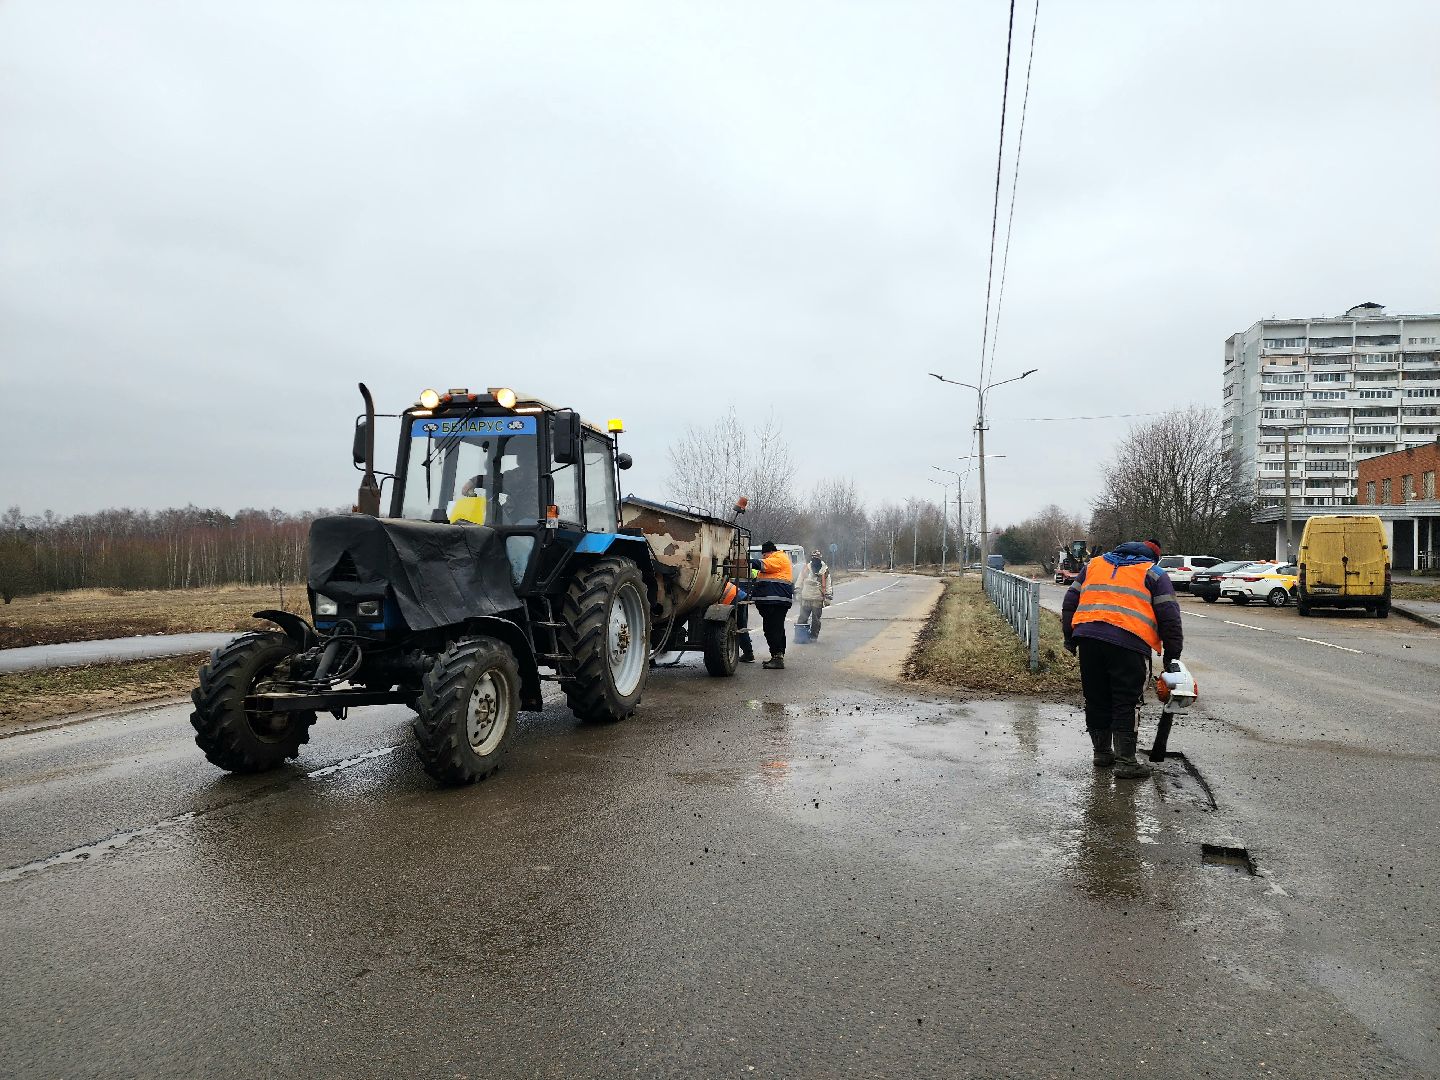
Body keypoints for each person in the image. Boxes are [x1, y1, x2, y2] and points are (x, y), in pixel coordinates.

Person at [1061, 539, 1183, 779]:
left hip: (1089, 640)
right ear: (1153, 556)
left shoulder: (1093, 565)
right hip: (1129, 644)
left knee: (1096, 697)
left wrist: (1070, 638)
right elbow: (1170, 618)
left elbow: (1070, 602)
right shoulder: (1154, 574)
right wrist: (1172, 655)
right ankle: (1126, 762)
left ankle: (1102, 753)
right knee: (1126, 701)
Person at [750, 541, 795, 669]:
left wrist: (747, 562)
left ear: (769, 552)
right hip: (774, 602)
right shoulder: (775, 559)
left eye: (764, 555)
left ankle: (778, 657)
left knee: (774, 629)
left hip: (777, 601)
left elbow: (764, 565)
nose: (763, 557)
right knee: (773, 628)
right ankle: (776, 655)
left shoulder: (779, 558)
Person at [794, 549, 833, 642]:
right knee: (802, 618)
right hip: (806, 598)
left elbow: (828, 583)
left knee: (816, 620)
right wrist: (798, 592)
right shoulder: (807, 568)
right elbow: (800, 579)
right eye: (814, 557)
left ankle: (813, 637)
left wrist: (828, 597)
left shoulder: (824, 570)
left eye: (817, 557)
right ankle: (800, 636)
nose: (815, 559)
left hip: (817, 599)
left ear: (820, 558)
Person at [721, 579, 755, 663]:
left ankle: (748, 653)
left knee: (740, 627)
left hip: (735, 597)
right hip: (738, 595)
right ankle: (748, 653)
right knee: (741, 626)